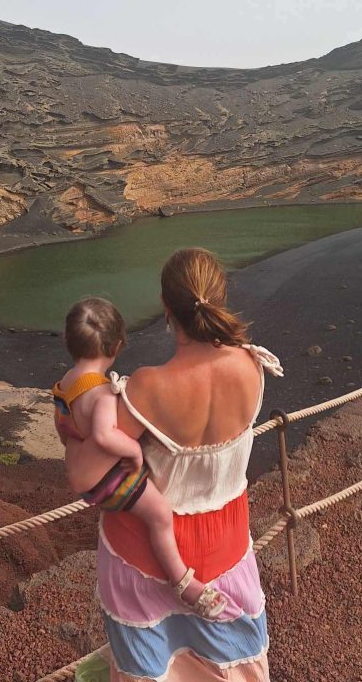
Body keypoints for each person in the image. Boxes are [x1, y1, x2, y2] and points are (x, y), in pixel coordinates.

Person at [92, 248, 283, 681]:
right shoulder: (252, 367)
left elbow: (99, 467)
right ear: (219, 296)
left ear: (166, 308)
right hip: (226, 546)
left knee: (150, 666)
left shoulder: (148, 387)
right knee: (232, 662)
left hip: (146, 558)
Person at [52, 297, 228, 618]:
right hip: (108, 482)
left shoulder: (65, 384)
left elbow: (64, 427)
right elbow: (105, 435)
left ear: (68, 341)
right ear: (117, 346)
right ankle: (183, 583)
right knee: (159, 515)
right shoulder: (103, 393)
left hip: (80, 477)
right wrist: (133, 452)